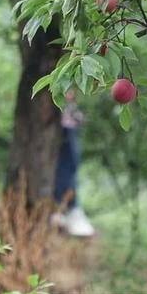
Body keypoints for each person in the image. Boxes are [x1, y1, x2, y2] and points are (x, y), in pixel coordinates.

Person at [52, 90, 95, 237]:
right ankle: (64, 208)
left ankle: (68, 209)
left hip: (68, 127)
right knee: (64, 168)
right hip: (60, 129)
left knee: (70, 168)